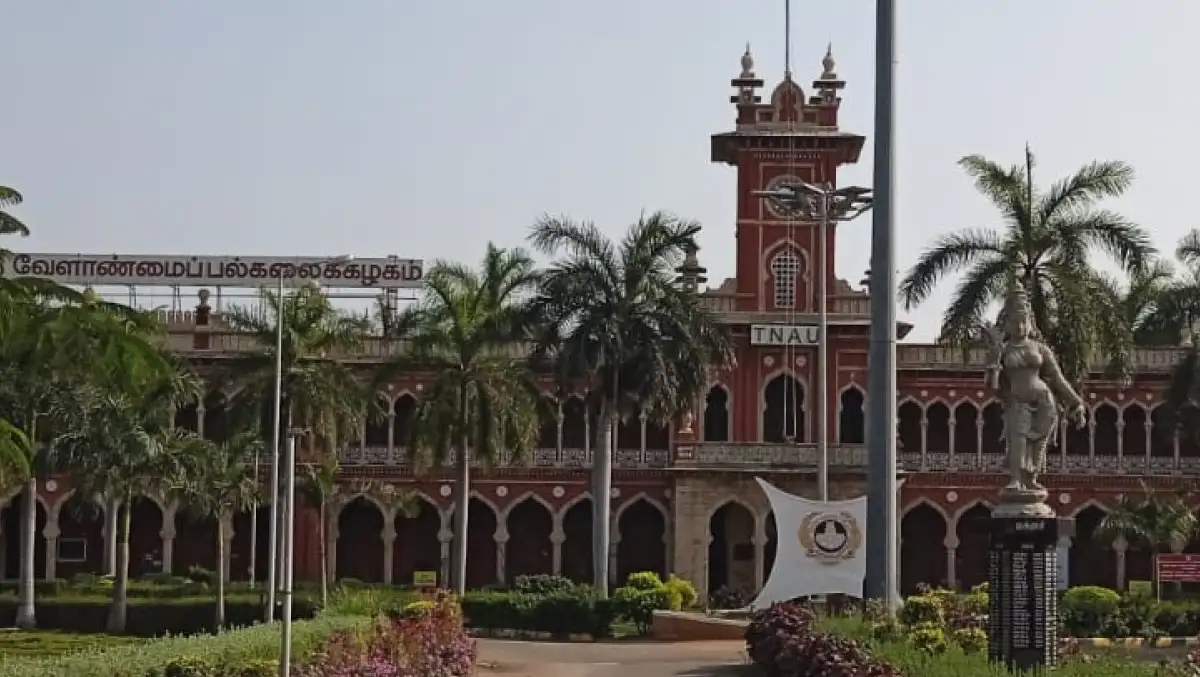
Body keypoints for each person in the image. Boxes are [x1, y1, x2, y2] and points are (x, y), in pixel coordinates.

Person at [983, 280, 1086, 493]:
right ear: (1007, 324)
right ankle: (1015, 479)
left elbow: (1057, 378)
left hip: (1044, 401)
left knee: (1039, 444)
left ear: (1030, 322)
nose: (1020, 327)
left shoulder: (1041, 349)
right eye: (1014, 322)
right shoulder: (1002, 350)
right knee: (1018, 441)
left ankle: (1031, 478)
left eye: (1024, 321)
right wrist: (994, 359)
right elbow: (993, 387)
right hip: (1017, 401)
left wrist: (1076, 402)